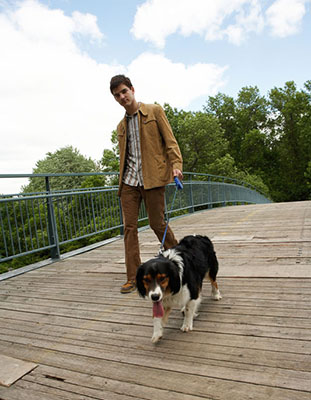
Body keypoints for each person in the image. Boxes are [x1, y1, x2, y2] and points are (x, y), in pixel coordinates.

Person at [110, 75, 183, 293]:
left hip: (153, 179)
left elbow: (170, 142)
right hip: (129, 183)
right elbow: (125, 155)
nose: (122, 97)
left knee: (157, 223)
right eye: (117, 95)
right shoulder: (120, 127)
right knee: (129, 228)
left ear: (132, 89)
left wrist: (176, 164)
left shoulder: (154, 111)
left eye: (124, 91)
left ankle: (179, 260)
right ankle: (133, 277)